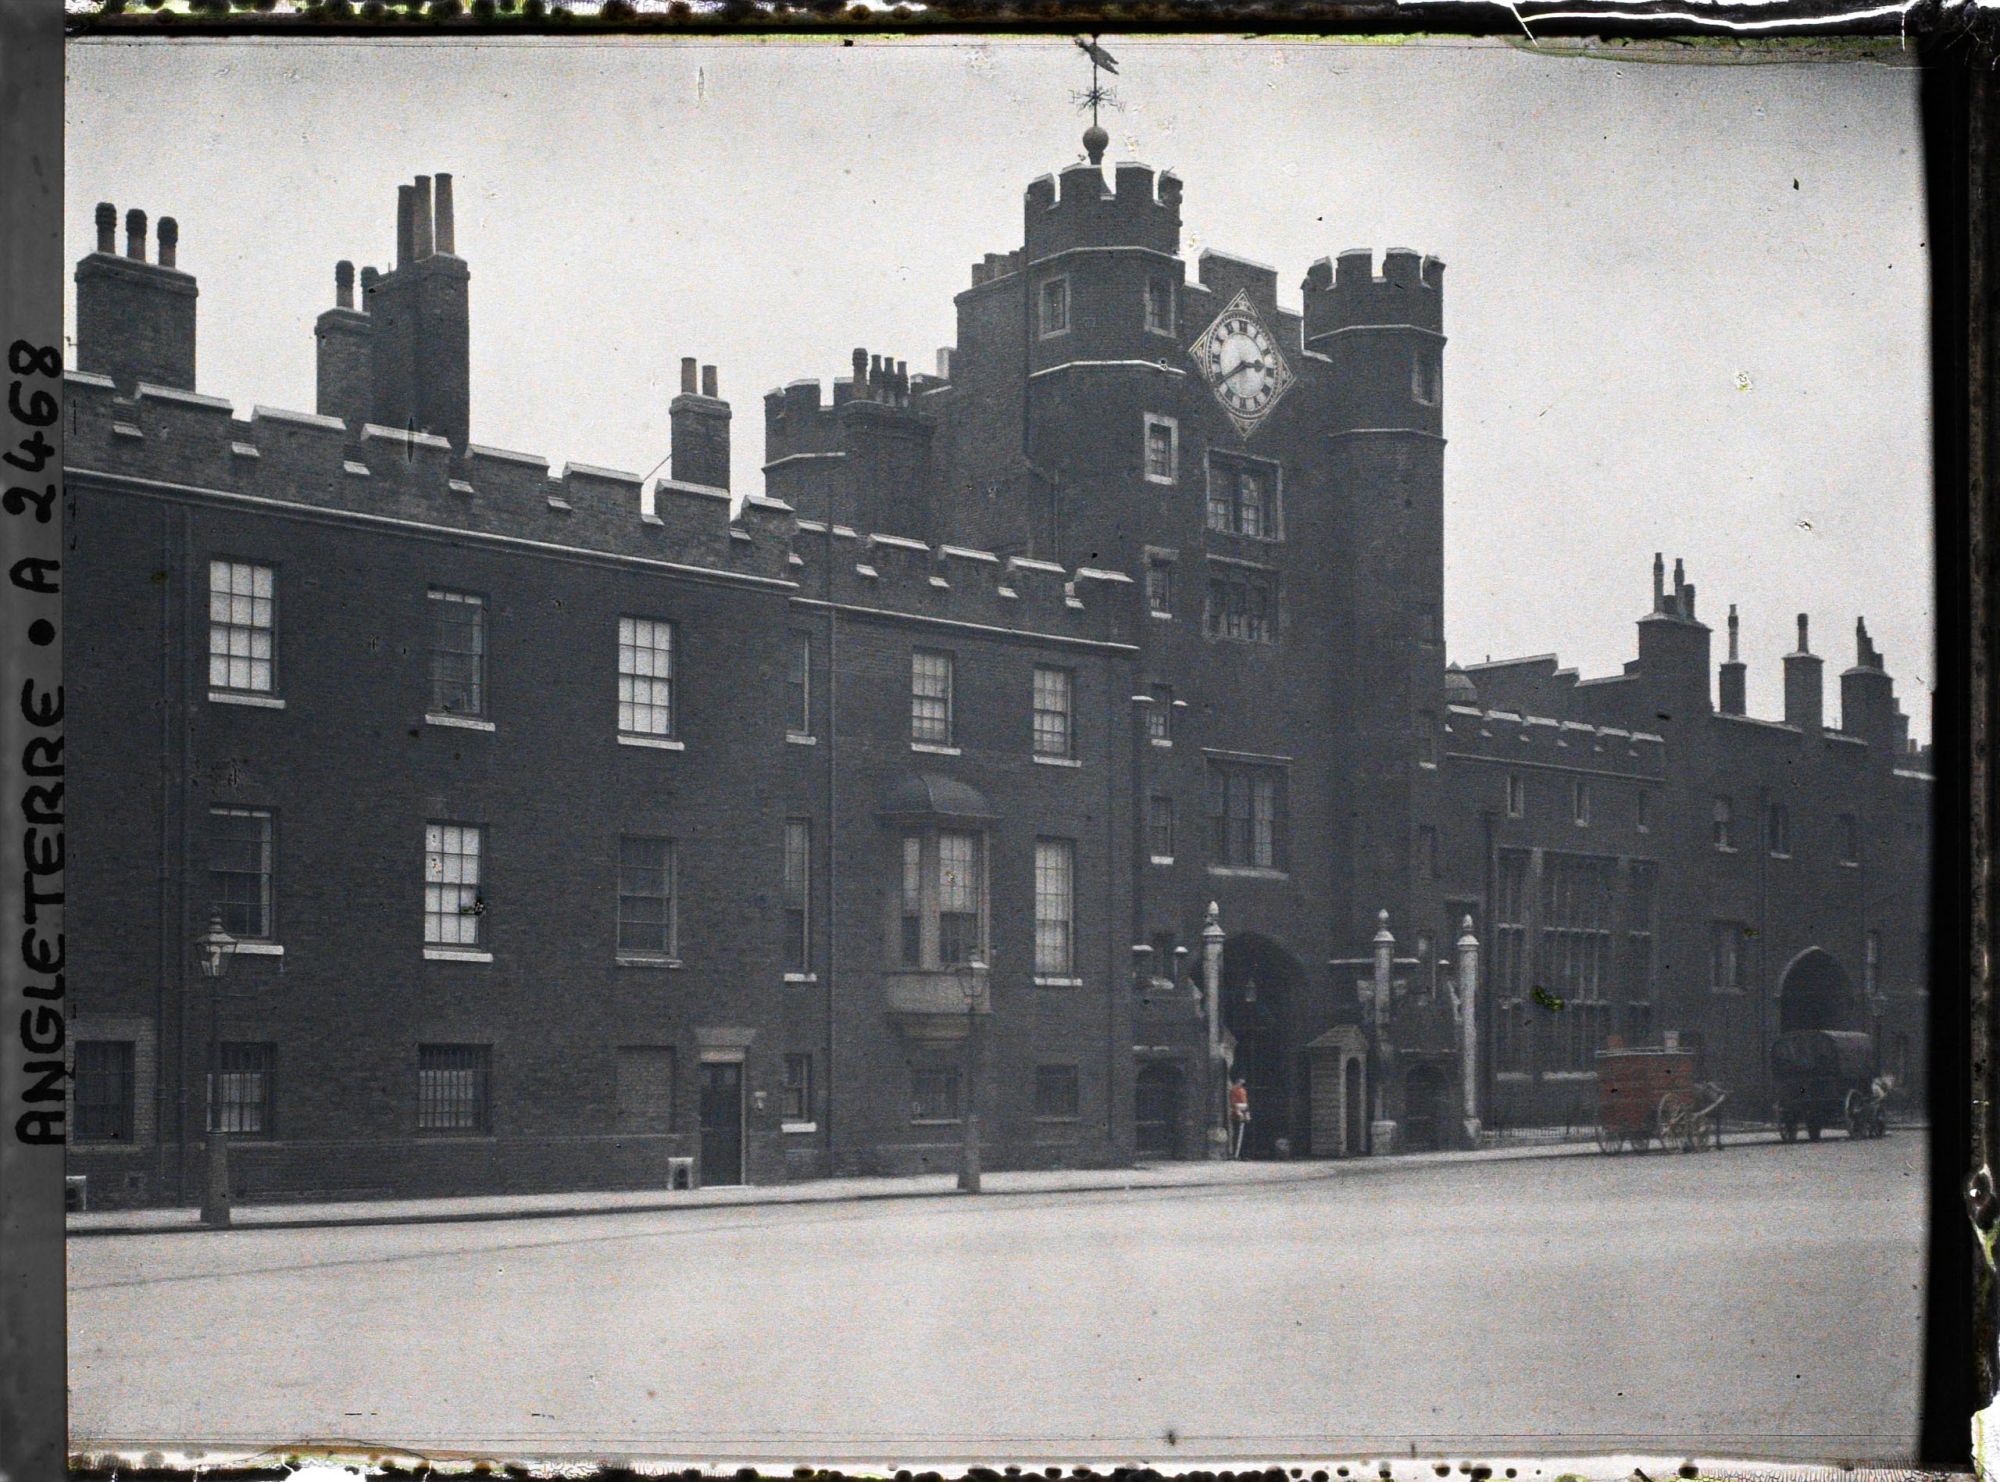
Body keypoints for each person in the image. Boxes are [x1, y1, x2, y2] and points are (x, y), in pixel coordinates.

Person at [1227, 1076, 1250, 1159]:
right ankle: (1236, 1154)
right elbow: (1233, 1103)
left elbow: (1245, 1102)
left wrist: (1247, 1113)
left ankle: (1242, 1154)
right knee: (1237, 1135)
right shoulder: (1234, 1090)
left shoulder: (1243, 1090)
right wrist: (1239, 1113)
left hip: (1243, 1112)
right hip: (1237, 1114)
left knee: (1243, 1135)